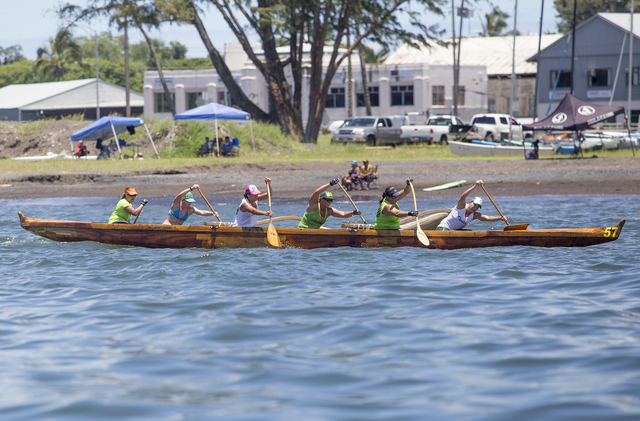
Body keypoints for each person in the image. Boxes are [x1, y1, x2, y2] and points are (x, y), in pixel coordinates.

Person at [436, 180, 507, 231]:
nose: (475, 208)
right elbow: (463, 196)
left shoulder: (474, 215)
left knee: (469, 232)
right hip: (443, 229)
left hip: (453, 231)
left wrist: (500, 218)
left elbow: (487, 218)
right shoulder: (461, 206)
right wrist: (475, 186)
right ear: (470, 202)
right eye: (474, 205)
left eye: (477, 207)